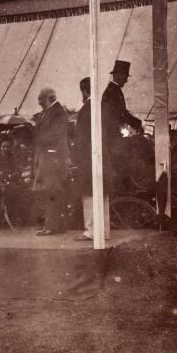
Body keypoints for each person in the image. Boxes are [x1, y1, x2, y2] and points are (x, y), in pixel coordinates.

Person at [72, 77, 111, 241]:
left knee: (89, 195)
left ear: (84, 91)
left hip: (88, 159)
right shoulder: (103, 107)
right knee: (103, 195)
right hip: (103, 158)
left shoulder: (86, 110)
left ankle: (91, 231)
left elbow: (80, 139)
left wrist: (76, 158)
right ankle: (105, 231)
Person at [32, 87, 69, 235]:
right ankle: (52, 225)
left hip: (53, 160)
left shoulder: (58, 113)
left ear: (51, 99)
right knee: (49, 193)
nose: (39, 101)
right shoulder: (48, 113)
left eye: (41, 98)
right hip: (47, 159)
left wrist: (33, 133)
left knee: (52, 192)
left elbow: (54, 136)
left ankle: (51, 226)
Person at [101, 60, 143, 186]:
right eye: (125, 76)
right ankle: (128, 184)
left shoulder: (114, 90)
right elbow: (120, 115)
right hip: (114, 138)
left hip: (115, 135)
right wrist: (138, 125)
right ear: (118, 75)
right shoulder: (112, 92)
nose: (126, 80)